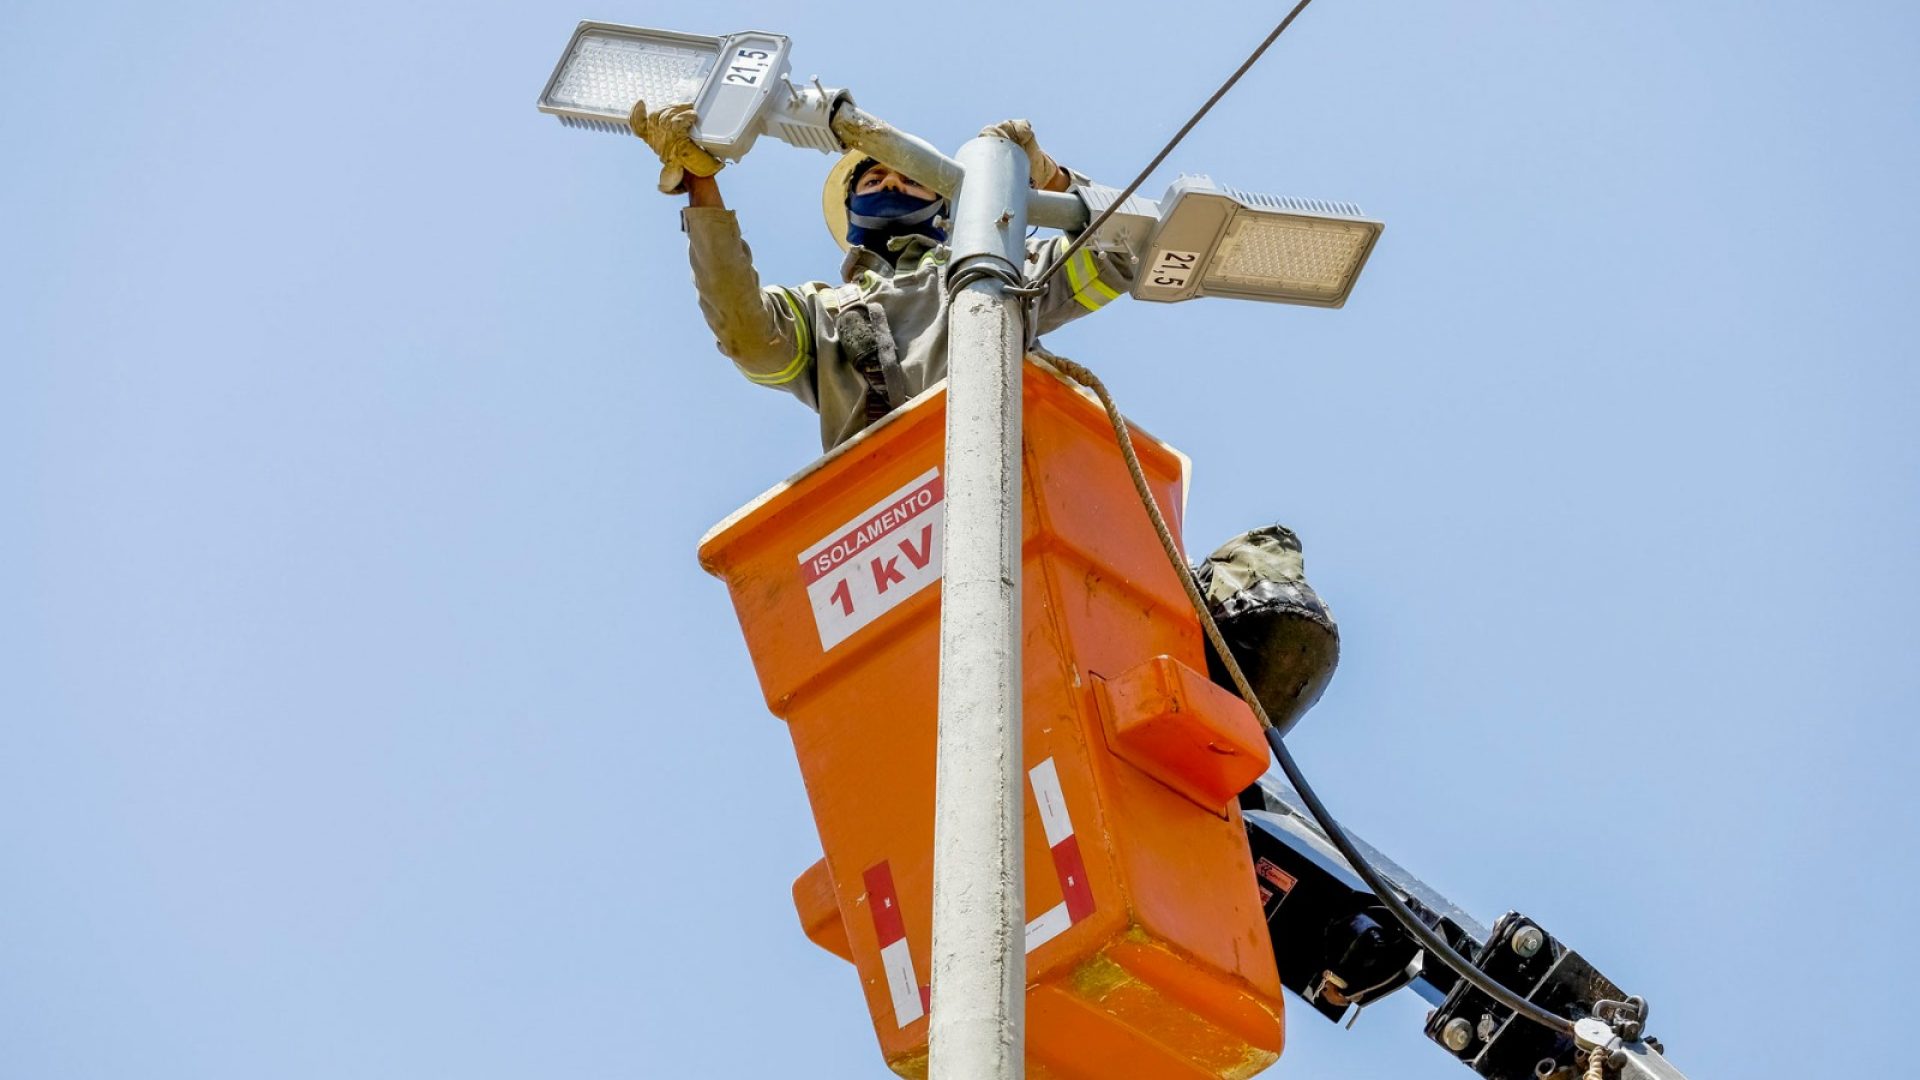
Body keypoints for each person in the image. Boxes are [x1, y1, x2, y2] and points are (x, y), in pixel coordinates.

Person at [629, 102, 1137, 450]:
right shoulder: (820, 312)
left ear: (950, 207)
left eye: (911, 179)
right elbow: (747, 334)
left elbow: (1118, 255)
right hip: (889, 512)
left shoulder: (1002, 268)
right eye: (875, 179)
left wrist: (1050, 178)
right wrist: (701, 183)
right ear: (851, 213)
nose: (891, 181)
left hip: (1019, 467)